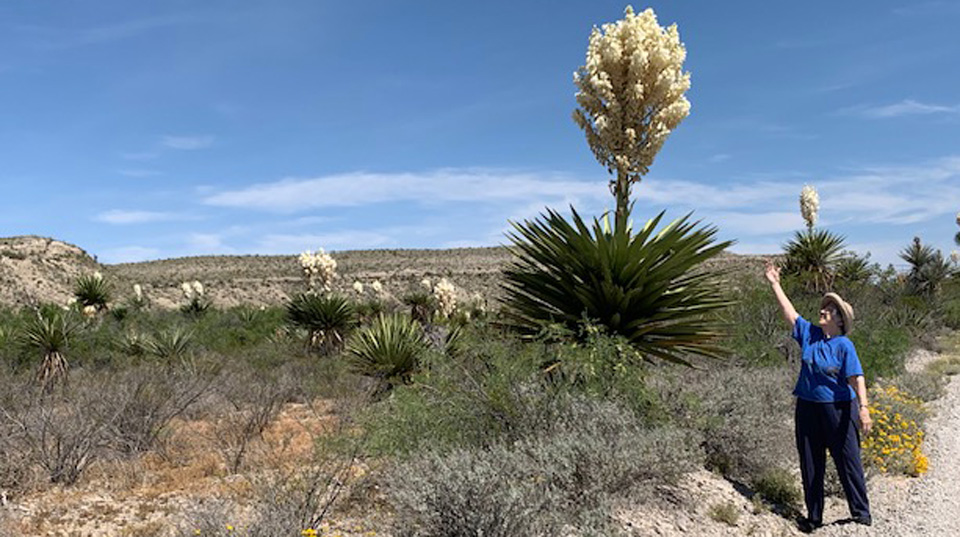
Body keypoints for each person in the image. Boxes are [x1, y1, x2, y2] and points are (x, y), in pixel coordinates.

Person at [765, 261, 873, 533]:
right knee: (811, 463)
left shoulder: (844, 345)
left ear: (840, 320)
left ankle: (861, 515)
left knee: (848, 460)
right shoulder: (811, 335)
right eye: (824, 307)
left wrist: (863, 408)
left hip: (839, 409)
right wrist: (775, 283)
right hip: (808, 408)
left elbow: (856, 377)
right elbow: (790, 313)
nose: (823, 310)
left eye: (830, 309)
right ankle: (814, 518)